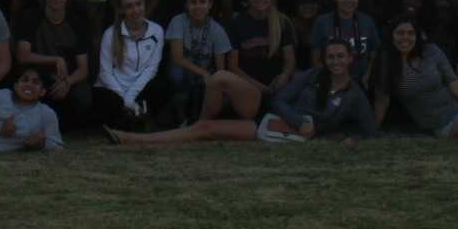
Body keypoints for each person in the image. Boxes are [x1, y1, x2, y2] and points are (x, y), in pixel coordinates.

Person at [105, 38, 375, 146]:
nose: (336, 62)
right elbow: (280, 99)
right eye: (331, 57)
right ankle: (197, 119)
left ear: (351, 59)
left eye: (341, 56)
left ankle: (130, 139)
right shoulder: (314, 74)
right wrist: (298, 120)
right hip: (266, 108)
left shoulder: (354, 95)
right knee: (219, 77)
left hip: (269, 129)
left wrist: (351, 140)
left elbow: (370, 129)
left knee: (206, 130)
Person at [198, 0, 295, 125]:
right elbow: (233, 67)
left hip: (277, 86)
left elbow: (289, 60)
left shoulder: (282, 22)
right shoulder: (236, 23)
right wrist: (261, 88)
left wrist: (284, 76)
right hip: (249, 87)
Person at [19, 0, 96, 122]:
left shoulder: (77, 22)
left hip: (67, 80)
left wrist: (67, 82)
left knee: (84, 97)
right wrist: (56, 59)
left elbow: (83, 69)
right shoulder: (30, 17)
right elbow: (22, 55)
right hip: (40, 77)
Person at [95, 0, 166, 130]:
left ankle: (136, 117)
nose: (135, 10)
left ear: (144, 4)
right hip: (114, 89)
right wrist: (125, 99)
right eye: (129, 6)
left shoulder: (157, 30)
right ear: (122, 10)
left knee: (163, 86)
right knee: (106, 101)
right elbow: (105, 73)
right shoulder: (110, 34)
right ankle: (133, 117)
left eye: (139, 4)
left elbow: (151, 69)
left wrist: (130, 97)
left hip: (139, 88)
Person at [162, 0, 229, 122]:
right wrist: (203, 73)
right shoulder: (178, 21)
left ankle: (194, 114)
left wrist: (211, 80)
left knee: (207, 83)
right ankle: (179, 108)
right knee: (177, 74)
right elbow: (177, 57)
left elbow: (221, 69)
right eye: (193, 2)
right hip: (183, 73)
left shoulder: (218, 30)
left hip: (203, 76)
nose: (198, 6)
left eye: (202, 2)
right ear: (186, 5)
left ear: (210, 4)